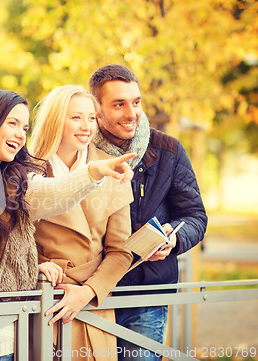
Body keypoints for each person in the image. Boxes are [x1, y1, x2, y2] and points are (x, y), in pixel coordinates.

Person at [0, 89, 135, 361]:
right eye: (12, 123)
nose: (20, 134)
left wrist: (95, 171)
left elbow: (58, 192)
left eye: (25, 127)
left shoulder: (17, 184)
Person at [87, 64, 207, 361]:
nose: (132, 113)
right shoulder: (79, 150)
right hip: (88, 294)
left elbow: (195, 216)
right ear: (96, 109)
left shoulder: (168, 150)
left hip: (146, 296)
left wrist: (174, 238)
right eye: (119, 104)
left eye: (136, 102)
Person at [30, 85, 135, 361]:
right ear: (55, 120)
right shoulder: (27, 168)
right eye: (76, 117)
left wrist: (87, 292)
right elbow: (12, 237)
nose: (86, 126)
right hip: (45, 297)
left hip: (92, 301)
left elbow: (121, 250)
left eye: (91, 118)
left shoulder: (112, 168)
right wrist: (36, 264)